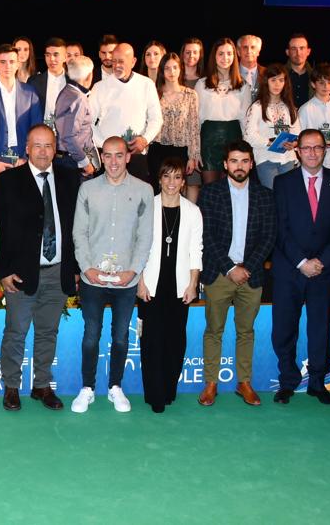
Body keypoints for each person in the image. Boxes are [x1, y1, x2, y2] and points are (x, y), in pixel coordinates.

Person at [0, 125, 80, 411]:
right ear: (27, 149)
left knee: (47, 331)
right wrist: (2, 270)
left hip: (58, 270)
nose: (43, 152)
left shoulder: (70, 180)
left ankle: (41, 385)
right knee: (16, 331)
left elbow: (77, 229)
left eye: (49, 146)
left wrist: (76, 267)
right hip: (20, 273)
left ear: (55, 149)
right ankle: (11, 387)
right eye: (37, 146)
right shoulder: (8, 181)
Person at [71, 137, 154, 413]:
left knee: (120, 336)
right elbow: (78, 233)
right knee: (91, 335)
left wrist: (133, 270)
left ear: (128, 157)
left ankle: (115, 387)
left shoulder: (144, 191)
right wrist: (87, 268)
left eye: (119, 155)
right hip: (92, 277)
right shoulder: (88, 190)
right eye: (108, 156)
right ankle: (87, 388)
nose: (114, 162)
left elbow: (145, 236)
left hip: (126, 280)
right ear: (101, 157)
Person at [271, 129, 330, 405]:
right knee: (284, 328)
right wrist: (302, 262)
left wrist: (323, 261)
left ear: (324, 150)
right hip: (289, 269)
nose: (312, 153)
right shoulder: (283, 183)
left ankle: (318, 382)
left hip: (323, 270)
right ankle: (287, 382)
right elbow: (280, 228)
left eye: (317, 147)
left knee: (319, 328)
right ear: (297, 151)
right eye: (307, 148)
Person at [197, 140, 276, 407]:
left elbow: (269, 237)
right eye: (234, 161)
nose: (239, 166)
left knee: (246, 331)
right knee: (213, 330)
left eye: (244, 161)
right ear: (225, 164)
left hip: (251, 275)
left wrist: (247, 268)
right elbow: (206, 236)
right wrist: (230, 268)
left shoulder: (265, 195)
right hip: (219, 273)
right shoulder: (210, 193)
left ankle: (244, 383)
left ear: (251, 164)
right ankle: (211, 384)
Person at [136, 157, 203, 413]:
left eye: (177, 177)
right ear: (159, 179)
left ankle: (168, 389)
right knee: (151, 340)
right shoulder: (147, 208)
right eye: (167, 177)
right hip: (150, 285)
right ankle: (154, 394)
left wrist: (193, 283)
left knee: (175, 341)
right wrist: (140, 282)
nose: (171, 182)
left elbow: (197, 251)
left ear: (183, 181)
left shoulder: (193, 212)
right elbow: (137, 247)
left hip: (179, 285)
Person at [88, 42, 162, 182]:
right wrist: (105, 145)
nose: (116, 65)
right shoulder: (100, 87)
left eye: (121, 61)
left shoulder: (146, 84)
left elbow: (156, 119)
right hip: (108, 158)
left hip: (136, 154)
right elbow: (88, 122)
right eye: (114, 61)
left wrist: (145, 139)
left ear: (133, 62)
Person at [0, 44, 42, 186]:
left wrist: (27, 157)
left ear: (18, 64)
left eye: (12, 62)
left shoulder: (30, 93)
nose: (8, 66)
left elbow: (37, 129)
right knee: (1, 207)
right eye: (3, 62)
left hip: (24, 159)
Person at [29, 37, 94, 175]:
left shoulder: (75, 81)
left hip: (67, 151)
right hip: (42, 145)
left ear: (65, 56)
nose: (52, 59)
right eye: (47, 55)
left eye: (56, 54)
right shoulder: (34, 81)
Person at [196, 38, 250, 185]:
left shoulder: (243, 85)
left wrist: (246, 151)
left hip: (233, 138)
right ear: (214, 56)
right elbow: (196, 120)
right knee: (209, 191)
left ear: (234, 56)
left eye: (229, 53)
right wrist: (195, 150)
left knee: (230, 190)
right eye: (221, 54)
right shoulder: (202, 84)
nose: (225, 58)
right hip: (208, 140)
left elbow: (246, 121)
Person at [150, 53, 201, 200]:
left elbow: (194, 126)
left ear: (180, 69)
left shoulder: (190, 94)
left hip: (181, 150)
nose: (171, 72)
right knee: (157, 191)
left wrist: (193, 155)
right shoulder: (154, 93)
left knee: (177, 192)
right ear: (162, 71)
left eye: (175, 67)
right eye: (167, 68)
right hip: (157, 148)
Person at [244, 63, 301, 189]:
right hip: (266, 159)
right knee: (272, 195)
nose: (277, 84)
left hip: (288, 158)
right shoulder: (257, 107)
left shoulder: (290, 107)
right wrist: (271, 142)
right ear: (266, 81)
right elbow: (249, 136)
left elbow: (297, 133)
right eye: (273, 80)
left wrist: (294, 143)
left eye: (281, 80)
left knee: (288, 196)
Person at [284, 34, 314, 108]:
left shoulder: (316, 76)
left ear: (308, 51)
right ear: (287, 52)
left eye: (302, 48)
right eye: (294, 49)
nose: (298, 53)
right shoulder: (279, 75)